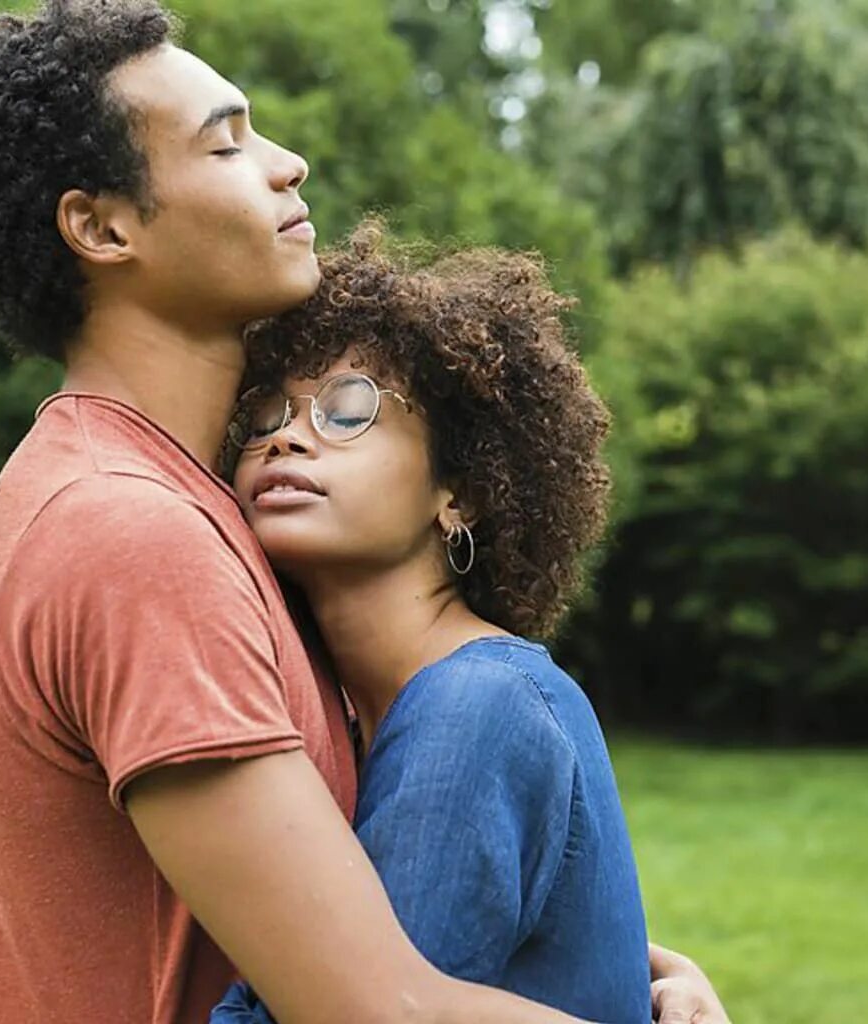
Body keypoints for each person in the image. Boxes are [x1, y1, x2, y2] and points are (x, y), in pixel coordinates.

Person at [0, 1, 730, 1022]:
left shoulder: (181, 510)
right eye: (227, 142)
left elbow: (355, 906)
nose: (289, 162)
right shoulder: (132, 534)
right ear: (102, 226)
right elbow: (378, 1008)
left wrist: (610, 957)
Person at [210, 224, 650, 1022]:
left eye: (349, 411)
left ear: (461, 493)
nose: (285, 436)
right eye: (267, 414)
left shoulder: (477, 707)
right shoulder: (362, 713)